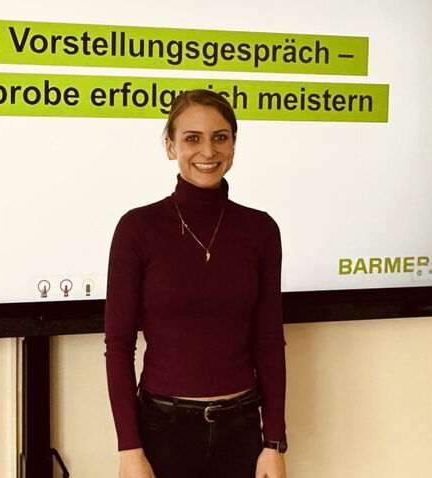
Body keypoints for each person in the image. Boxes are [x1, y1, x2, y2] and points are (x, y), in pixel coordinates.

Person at [104, 89, 288, 478]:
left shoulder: (261, 229)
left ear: (234, 145)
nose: (208, 150)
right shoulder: (137, 229)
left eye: (220, 137)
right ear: (171, 147)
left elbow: (270, 342)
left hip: (241, 429)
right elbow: (118, 348)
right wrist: (129, 450)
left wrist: (273, 443)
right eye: (192, 138)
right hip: (163, 430)